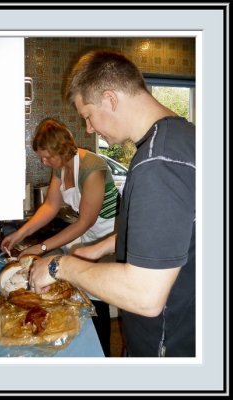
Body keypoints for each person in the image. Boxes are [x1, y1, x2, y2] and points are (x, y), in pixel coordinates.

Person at [29, 50, 196, 357]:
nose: (89, 129)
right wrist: (100, 248)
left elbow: (145, 294)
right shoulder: (183, 138)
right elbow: (169, 233)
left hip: (167, 347)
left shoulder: (157, 162)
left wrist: (59, 265)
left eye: (88, 115)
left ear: (110, 99)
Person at [0, 117, 120, 356]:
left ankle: (102, 352)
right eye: (41, 157)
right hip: (91, 233)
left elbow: (85, 221)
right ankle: (83, 341)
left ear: (63, 150)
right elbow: (50, 206)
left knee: (96, 291)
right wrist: (21, 233)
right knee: (78, 285)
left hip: (112, 238)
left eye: (47, 157)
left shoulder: (91, 168)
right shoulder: (60, 168)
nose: (44, 162)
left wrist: (41, 248)